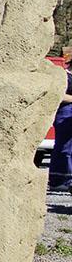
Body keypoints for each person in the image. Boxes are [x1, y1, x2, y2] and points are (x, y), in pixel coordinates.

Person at [48, 54, 72, 193]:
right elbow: (59, 95)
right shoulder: (64, 76)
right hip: (65, 113)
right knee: (64, 148)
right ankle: (58, 180)